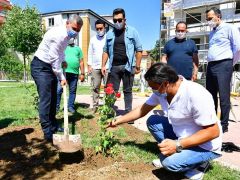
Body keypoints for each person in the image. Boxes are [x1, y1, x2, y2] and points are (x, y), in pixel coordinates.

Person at [108, 62, 222, 180]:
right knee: (153, 121)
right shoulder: (163, 92)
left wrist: (178, 144)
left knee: (168, 163)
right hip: (183, 135)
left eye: (154, 87)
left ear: (166, 83)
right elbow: (142, 110)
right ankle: (178, 153)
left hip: (205, 145)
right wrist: (119, 120)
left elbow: (213, 132)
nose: (153, 91)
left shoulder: (195, 94)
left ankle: (199, 164)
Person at [31, 14, 83, 142]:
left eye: (78, 30)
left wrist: (64, 60)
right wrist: (61, 77)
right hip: (41, 66)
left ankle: (53, 125)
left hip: (49, 67)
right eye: (74, 28)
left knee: (54, 98)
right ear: (67, 24)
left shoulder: (66, 37)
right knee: (46, 99)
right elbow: (54, 58)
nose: (75, 32)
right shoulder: (58, 35)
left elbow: (60, 52)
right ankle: (47, 131)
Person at [101, 8, 143, 119]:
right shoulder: (110, 33)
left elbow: (139, 49)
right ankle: (109, 113)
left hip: (128, 66)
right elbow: (105, 50)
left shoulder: (133, 31)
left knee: (127, 91)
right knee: (111, 91)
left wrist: (137, 65)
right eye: (115, 20)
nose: (117, 23)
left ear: (125, 19)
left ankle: (128, 115)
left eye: (120, 20)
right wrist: (103, 65)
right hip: (114, 67)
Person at [205, 7, 240, 133]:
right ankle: (212, 122)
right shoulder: (212, 32)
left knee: (224, 97)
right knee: (210, 96)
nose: (208, 21)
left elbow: (238, 48)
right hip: (211, 66)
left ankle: (224, 125)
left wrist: (230, 63)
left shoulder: (230, 28)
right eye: (207, 19)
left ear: (218, 16)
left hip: (224, 64)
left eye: (210, 18)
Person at [56, 38, 85, 113]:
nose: (71, 39)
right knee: (59, 90)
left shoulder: (78, 49)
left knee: (72, 90)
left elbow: (81, 62)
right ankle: (56, 107)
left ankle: (70, 106)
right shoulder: (63, 47)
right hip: (63, 73)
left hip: (74, 73)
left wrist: (82, 73)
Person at [88, 19, 108, 112]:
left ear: (105, 27)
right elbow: (90, 53)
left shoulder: (108, 38)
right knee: (95, 87)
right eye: (97, 29)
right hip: (95, 67)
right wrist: (89, 65)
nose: (99, 30)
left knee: (108, 87)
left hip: (107, 67)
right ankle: (95, 106)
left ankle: (107, 107)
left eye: (101, 28)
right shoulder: (92, 39)